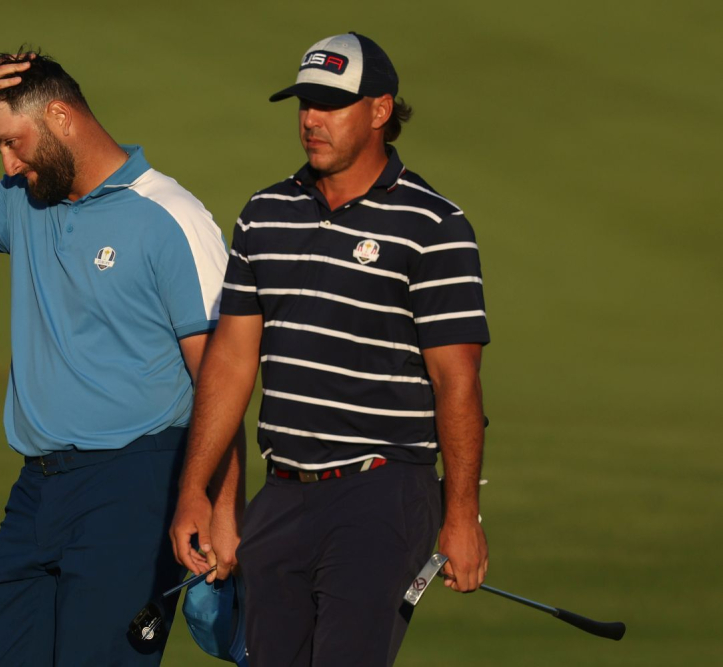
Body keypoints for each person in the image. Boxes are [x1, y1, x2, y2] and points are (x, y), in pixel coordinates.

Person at [0, 50, 242, 666]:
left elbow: (221, 377)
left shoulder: (171, 218)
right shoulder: (24, 201)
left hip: (136, 483)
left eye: (13, 142)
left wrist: (219, 503)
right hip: (38, 490)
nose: (8, 162)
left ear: (61, 117)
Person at [170, 32, 490, 666]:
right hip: (283, 493)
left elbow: (458, 384)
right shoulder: (265, 214)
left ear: (380, 111)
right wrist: (197, 492)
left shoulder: (434, 226)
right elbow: (231, 363)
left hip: (383, 493)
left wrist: (462, 514)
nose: (310, 119)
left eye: (330, 104)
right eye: (304, 103)